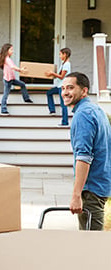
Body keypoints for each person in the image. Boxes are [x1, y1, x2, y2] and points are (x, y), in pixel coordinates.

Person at [61, 72, 111, 230]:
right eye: (63, 88)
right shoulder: (97, 110)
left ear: (84, 91)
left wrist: (76, 195)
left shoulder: (83, 115)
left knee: (92, 245)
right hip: (101, 185)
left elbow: (84, 157)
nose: (65, 92)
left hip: (92, 189)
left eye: (70, 88)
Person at [0, 43, 33, 116]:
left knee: (22, 84)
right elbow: (13, 67)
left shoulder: (8, 59)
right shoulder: (7, 59)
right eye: (11, 49)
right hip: (7, 80)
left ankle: (26, 98)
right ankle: (3, 109)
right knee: (5, 94)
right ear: (7, 51)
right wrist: (20, 70)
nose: (13, 51)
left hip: (11, 79)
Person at [45, 47, 71, 126]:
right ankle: (52, 110)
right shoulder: (63, 64)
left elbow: (61, 76)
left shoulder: (66, 65)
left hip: (63, 87)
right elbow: (59, 75)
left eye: (60, 54)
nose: (60, 56)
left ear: (65, 54)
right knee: (49, 93)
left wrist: (52, 73)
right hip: (59, 85)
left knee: (63, 104)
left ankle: (65, 122)